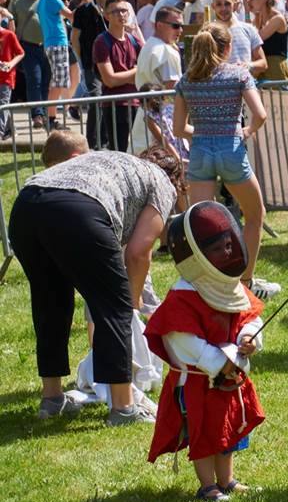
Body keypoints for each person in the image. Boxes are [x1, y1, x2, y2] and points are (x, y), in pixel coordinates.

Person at [9, 135, 184, 425]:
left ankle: (51, 399)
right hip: (76, 208)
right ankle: (123, 408)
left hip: (26, 204)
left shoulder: (115, 161)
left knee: (50, 303)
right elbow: (140, 253)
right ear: (175, 180)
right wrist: (133, 299)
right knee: (113, 308)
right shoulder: (161, 181)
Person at [145, 201, 266, 502]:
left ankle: (227, 480)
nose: (227, 252)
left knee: (229, 430)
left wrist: (249, 339)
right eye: (217, 248)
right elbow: (182, 340)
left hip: (230, 378)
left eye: (229, 245)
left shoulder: (230, 287)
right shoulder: (183, 296)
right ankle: (207, 484)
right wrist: (219, 363)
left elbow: (249, 318)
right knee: (204, 432)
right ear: (195, 256)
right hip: (199, 382)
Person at [173, 23, 279, 300]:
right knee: (255, 215)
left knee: (199, 225)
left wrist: (205, 131)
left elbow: (178, 129)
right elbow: (260, 114)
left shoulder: (186, 81)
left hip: (200, 153)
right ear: (228, 48)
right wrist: (245, 131)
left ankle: (207, 285)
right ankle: (245, 280)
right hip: (231, 150)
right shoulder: (238, 75)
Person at [130, 6, 184, 150]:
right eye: (175, 26)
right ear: (159, 25)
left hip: (146, 112)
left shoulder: (148, 45)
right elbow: (172, 87)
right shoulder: (166, 51)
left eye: (181, 26)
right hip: (162, 117)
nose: (180, 30)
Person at [93, 0, 141, 152]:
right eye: (115, 11)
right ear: (106, 15)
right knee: (119, 153)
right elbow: (110, 80)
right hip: (116, 105)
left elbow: (148, 66)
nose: (121, 15)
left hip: (137, 103)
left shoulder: (133, 40)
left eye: (124, 10)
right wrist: (136, 71)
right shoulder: (102, 41)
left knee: (140, 150)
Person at [72, 0, 113, 150]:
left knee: (109, 101)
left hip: (112, 64)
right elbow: (75, 38)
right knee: (96, 100)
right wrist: (82, 61)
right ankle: (92, 142)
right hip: (91, 65)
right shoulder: (83, 10)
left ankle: (105, 141)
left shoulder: (116, 9)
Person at [10, 0, 51, 128]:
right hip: (27, 46)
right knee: (35, 80)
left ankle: (46, 112)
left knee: (46, 81)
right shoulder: (16, 0)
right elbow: (10, 24)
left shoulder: (49, 0)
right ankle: (37, 115)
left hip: (48, 46)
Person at [36, 0, 75, 129]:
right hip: (58, 42)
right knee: (58, 82)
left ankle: (53, 116)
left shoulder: (42, 0)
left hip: (51, 43)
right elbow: (71, 16)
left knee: (58, 81)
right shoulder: (54, 0)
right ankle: (51, 118)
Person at [212, 0, 268, 78]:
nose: (223, 8)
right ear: (213, 6)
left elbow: (263, 63)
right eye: (219, 4)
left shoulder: (249, 29)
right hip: (219, 88)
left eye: (227, 4)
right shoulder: (208, 32)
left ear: (235, 6)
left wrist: (248, 65)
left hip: (244, 87)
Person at [246, 0, 288, 81]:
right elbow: (247, 33)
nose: (249, 2)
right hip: (262, 69)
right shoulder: (259, 17)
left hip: (276, 69)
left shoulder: (278, 19)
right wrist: (252, 14)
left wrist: (247, 12)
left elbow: (254, 39)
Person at [0, 22, 24, 139]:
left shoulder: (9, 35)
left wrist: (10, 63)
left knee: (3, 104)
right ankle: (10, 129)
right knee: (3, 105)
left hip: (6, 77)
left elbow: (20, 53)